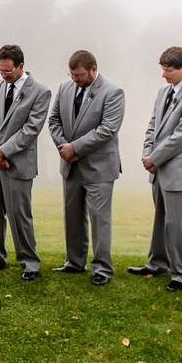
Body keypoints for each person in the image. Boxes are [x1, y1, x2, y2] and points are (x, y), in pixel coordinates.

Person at [127, 47, 182, 291]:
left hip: (178, 170)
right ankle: (157, 263)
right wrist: (146, 154)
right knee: (160, 219)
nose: (164, 74)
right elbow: (152, 126)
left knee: (177, 224)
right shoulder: (163, 92)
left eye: (168, 69)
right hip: (158, 168)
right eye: (162, 68)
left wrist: (155, 158)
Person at [48, 50, 126, 286]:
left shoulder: (112, 92)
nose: (75, 79)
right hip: (70, 165)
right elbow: (53, 121)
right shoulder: (64, 89)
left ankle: (102, 268)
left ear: (93, 69)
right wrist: (64, 146)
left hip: (99, 167)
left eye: (80, 75)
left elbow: (108, 129)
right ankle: (74, 261)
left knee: (99, 219)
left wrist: (76, 148)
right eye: (72, 75)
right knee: (72, 216)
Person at [0, 45, 51, 281]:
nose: (3, 76)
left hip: (19, 164)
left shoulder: (40, 92)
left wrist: (5, 152)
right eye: (0, 71)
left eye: (8, 71)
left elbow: (31, 129)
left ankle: (30, 262)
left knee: (20, 215)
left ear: (20, 66)